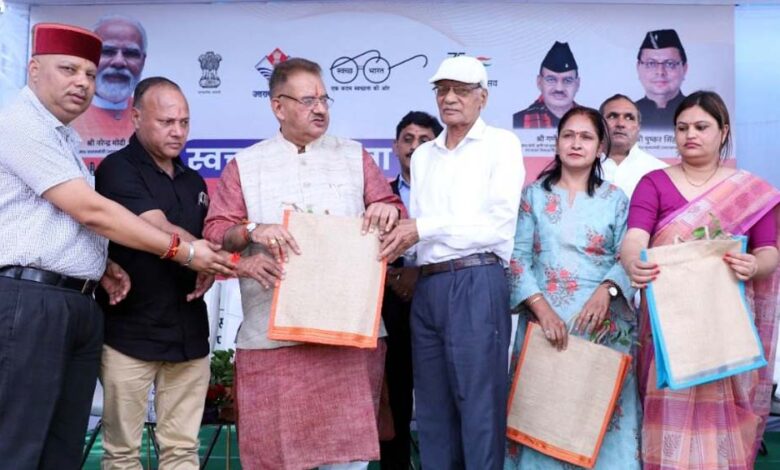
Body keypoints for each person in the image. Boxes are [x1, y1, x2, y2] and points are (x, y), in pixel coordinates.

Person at [0, 23, 233, 469]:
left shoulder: (65, 138)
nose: (82, 83)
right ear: (33, 69)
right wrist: (185, 252)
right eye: (68, 69)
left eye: (89, 74)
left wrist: (100, 262)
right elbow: (91, 211)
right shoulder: (20, 125)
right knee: (19, 444)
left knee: (59, 448)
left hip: (75, 302)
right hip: (31, 300)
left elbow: (59, 219)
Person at [203, 57, 405, 470]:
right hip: (273, 334)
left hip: (346, 334)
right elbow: (216, 229)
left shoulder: (354, 156)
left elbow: (392, 210)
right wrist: (253, 230)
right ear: (278, 106)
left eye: (325, 99)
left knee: (346, 457)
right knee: (277, 455)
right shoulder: (248, 165)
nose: (320, 109)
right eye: (308, 100)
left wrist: (388, 211)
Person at [379, 55, 525, 469]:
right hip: (428, 285)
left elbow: (497, 227)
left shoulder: (501, 144)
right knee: (432, 412)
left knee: (479, 407)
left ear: (483, 97)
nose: (449, 98)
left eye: (461, 90)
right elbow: (419, 235)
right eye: (442, 90)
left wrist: (423, 228)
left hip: (477, 278)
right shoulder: (424, 156)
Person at [620, 90, 780, 469]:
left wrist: (753, 266)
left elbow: (769, 251)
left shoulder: (749, 190)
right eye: (682, 127)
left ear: (723, 132)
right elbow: (635, 238)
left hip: (726, 325)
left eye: (701, 127)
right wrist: (633, 262)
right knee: (668, 408)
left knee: (721, 418)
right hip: (668, 325)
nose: (690, 134)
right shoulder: (654, 183)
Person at [504, 106, 641, 469]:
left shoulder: (616, 199)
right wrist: (542, 309)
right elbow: (517, 258)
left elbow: (630, 255)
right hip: (545, 325)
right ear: (557, 144)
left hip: (603, 325)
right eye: (568, 136)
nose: (576, 144)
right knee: (542, 420)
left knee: (600, 420)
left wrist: (608, 289)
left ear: (600, 148)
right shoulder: (532, 196)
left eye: (586, 137)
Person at [95, 77, 214, 468]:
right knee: (122, 453)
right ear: (135, 117)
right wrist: (209, 257)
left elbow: (204, 241)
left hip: (188, 332)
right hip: (130, 331)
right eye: (166, 122)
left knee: (183, 450)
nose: (177, 131)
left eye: (184, 122)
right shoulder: (116, 169)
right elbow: (157, 227)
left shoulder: (194, 180)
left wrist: (212, 261)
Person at [381, 111, 442, 469]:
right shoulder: (378, 198)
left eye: (424, 140)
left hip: (440, 304)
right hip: (392, 312)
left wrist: (420, 274)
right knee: (396, 404)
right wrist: (395, 277)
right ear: (395, 146)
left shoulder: (450, 197)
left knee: (442, 405)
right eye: (408, 139)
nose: (415, 147)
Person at [72, 15, 147, 160]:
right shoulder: (65, 117)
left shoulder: (151, 117)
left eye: (130, 53)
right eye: (107, 51)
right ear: (89, 57)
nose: (119, 62)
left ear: (142, 61)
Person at [600, 94, 667, 197]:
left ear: (638, 127)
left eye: (629, 118)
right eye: (612, 116)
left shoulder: (660, 171)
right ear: (599, 124)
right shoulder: (581, 167)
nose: (620, 124)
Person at [513, 41, 580, 129]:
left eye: (567, 80)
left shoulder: (593, 120)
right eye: (551, 80)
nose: (559, 88)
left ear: (577, 84)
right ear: (539, 82)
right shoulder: (517, 121)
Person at [635, 29, 688, 130]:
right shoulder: (626, 114)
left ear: (684, 68)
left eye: (669, 64)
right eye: (651, 63)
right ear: (638, 68)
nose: (660, 72)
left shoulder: (700, 112)